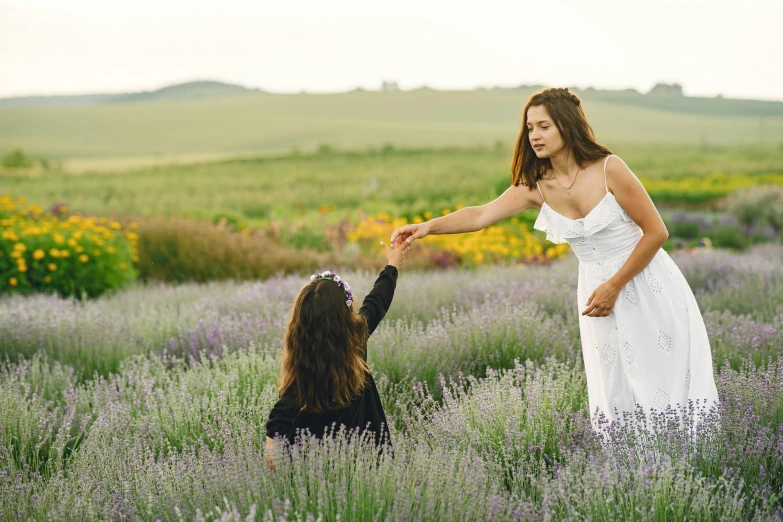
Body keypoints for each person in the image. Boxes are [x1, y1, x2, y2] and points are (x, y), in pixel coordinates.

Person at [389, 87, 719, 432]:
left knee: (660, 377)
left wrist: (615, 285)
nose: (534, 135)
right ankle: (636, 473)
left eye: (544, 126)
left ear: (567, 125)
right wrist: (427, 227)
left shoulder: (610, 169)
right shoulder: (535, 187)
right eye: (530, 128)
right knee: (616, 381)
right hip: (596, 291)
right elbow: (479, 215)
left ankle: (688, 460)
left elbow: (656, 232)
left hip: (645, 282)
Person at [265, 238, 410, 469]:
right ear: (344, 317)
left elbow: (274, 443)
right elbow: (377, 301)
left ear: (299, 326)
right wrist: (392, 265)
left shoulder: (299, 382)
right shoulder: (355, 342)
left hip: (315, 487)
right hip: (367, 472)